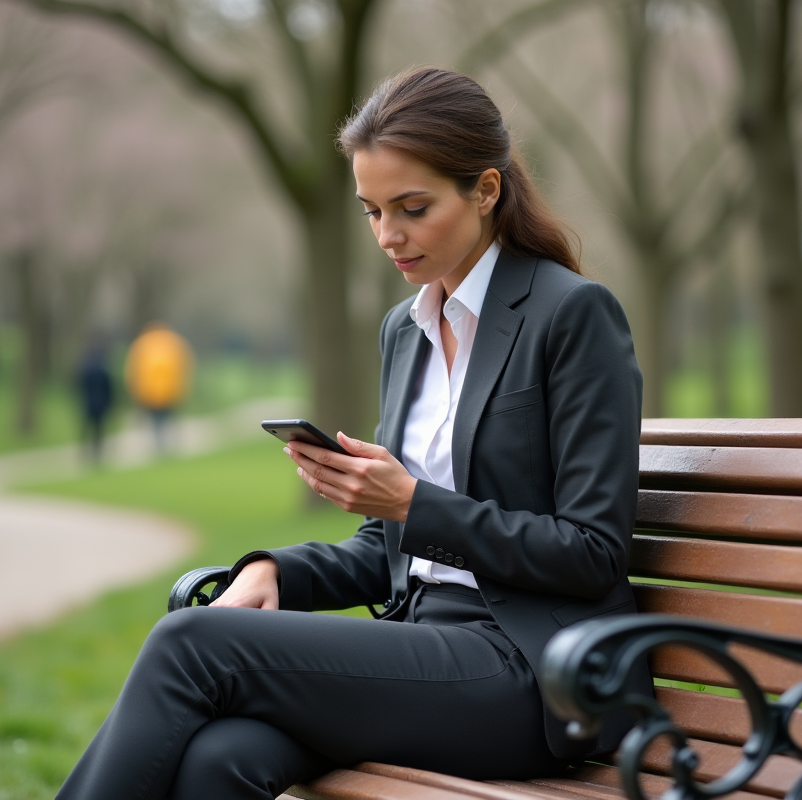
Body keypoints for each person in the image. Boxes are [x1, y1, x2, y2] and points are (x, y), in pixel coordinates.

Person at [57, 67, 651, 800]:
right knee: (221, 758)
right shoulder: (406, 331)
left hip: (536, 672)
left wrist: (413, 505)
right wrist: (280, 571)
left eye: (412, 208)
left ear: (486, 191)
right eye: (371, 211)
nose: (387, 236)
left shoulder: (571, 315)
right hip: (424, 647)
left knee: (191, 644)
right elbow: (390, 549)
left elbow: (593, 553)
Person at [124, 322, 193, 455]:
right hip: (170, 391)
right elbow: (184, 368)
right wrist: (183, 389)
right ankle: (168, 447)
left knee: (155, 421)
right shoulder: (175, 342)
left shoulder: (142, 343)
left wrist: (135, 390)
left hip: (149, 391)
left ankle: (159, 446)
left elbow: (133, 370)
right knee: (168, 419)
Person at [76, 337, 115, 465]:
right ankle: (96, 453)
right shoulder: (104, 368)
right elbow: (109, 387)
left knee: (88, 427)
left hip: (88, 402)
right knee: (98, 429)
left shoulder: (86, 367)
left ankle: (86, 452)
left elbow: (79, 385)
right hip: (100, 403)